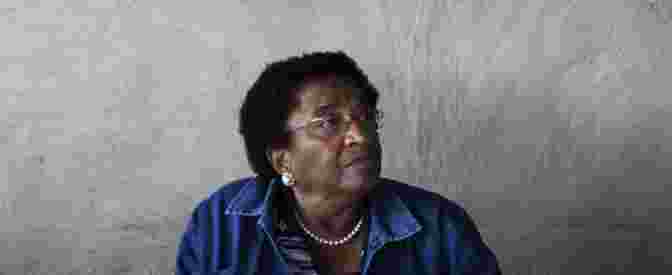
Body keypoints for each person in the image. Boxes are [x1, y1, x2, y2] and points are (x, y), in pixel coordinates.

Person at [175, 51, 502, 274]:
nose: (359, 135)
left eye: (364, 118)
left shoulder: (441, 229)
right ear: (282, 159)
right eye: (329, 122)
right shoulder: (219, 226)